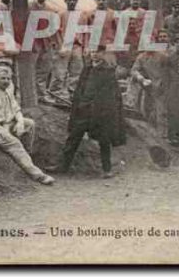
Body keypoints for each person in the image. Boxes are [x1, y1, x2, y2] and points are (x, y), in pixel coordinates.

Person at [48, 46, 126, 178]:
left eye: (98, 52)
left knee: (104, 140)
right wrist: (78, 105)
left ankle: (107, 169)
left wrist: (104, 112)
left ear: (103, 54)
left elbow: (111, 96)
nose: (94, 55)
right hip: (83, 110)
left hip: (99, 112)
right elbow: (80, 89)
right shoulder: (87, 69)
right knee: (73, 138)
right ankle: (62, 166)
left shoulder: (108, 72)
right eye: (92, 52)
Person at [0, 67, 55, 185]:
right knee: (14, 143)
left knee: (30, 124)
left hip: (8, 123)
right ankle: (38, 175)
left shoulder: (8, 91)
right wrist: (0, 129)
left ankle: (26, 157)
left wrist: (20, 122)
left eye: (8, 78)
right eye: (3, 78)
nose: (6, 81)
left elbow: (16, 109)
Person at [130, 30, 171, 136]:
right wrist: (141, 78)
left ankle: (163, 134)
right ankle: (149, 133)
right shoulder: (141, 57)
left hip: (162, 86)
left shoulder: (162, 56)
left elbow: (169, 71)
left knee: (161, 111)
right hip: (148, 87)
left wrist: (163, 84)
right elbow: (134, 70)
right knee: (146, 109)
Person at [50, 0, 85, 104]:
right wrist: (60, 47)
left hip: (76, 46)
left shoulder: (80, 15)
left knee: (76, 72)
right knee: (60, 72)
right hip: (64, 44)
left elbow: (84, 31)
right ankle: (56, 94)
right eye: (69, 0)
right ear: (65, 1)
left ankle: (73, 94)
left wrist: (82, 45)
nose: (72, 2)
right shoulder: (60, 14)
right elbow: (55, 32)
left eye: (74, 0)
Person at [30, 0, 61, 104]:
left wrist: (54, 43)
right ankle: (28, 95)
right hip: (31, 43)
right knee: (29, 70)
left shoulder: (50, 10)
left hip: (45, 44)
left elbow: (54, 28)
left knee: (43, 71)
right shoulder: (28, 7)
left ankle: (41, 95)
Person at [81, 0, 118, 64]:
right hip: (95, 47)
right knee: (94, 70)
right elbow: (86, 32)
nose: (101, 2)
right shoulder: (89, 14)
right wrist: (86, 46)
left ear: (106, 0)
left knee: (109, 68)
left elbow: (118, 31)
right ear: (95, 0)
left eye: (103, 0)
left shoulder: (113, 13)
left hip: (108, 47)